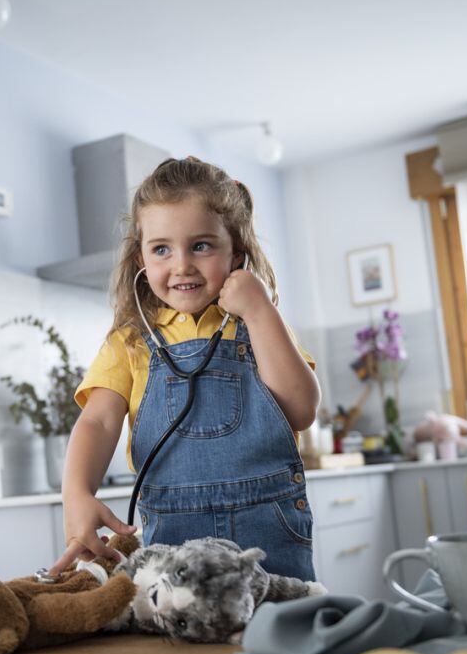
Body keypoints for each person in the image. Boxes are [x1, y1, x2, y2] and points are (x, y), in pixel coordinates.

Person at [47, 156, 321, 581]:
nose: (182, 265)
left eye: (202, 245)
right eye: (162, 249)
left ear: (236, 256)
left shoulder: (260, 324)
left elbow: (301, 410)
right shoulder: (131, 340)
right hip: (171, 544)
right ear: (141, 259)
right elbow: (98, 422)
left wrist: (260, 310)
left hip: (268, 538)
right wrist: (76, 493)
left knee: (277, 638)